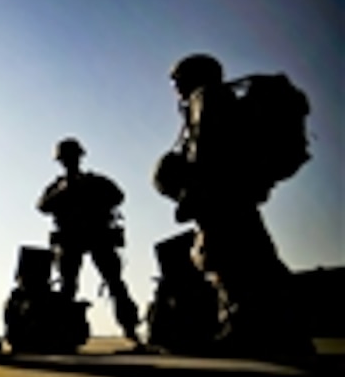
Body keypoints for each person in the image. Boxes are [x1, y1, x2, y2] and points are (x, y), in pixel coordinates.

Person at [161, 53, 311, 356]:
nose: (174, 86)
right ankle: (286, 333)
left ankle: (244, 329)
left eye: (177, 79)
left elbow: (208, 149)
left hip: (221, 192)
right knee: (255, 256)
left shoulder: (206, 97)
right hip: (235, 191)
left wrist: (194, 192)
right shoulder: (224, 98)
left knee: (226, 257)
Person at [37, 137, 143, 348]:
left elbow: (118, 196)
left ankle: (130, 329)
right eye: (65, 159)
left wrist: (93, 195)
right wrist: (64, 192)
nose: (68, 162)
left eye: (71, 158)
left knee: (114, 283)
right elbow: (42, 206)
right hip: (71, 238)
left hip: (98, 235)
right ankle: (63, 333)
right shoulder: (58, 186)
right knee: (68, 287)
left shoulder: (95, 181)